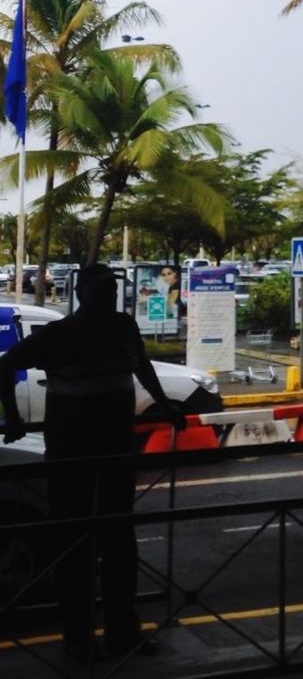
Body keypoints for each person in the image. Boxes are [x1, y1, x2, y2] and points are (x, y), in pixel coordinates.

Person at [0, 262, 186, 662]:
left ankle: (115, 633)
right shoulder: (64, 334)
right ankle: (82, 638)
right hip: (79, 454)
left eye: (111, 287)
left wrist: (167, 405)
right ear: (85, 292)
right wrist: (13, 417)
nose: (110, 293)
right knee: (83, 545)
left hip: (102, 453)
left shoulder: (119, 328)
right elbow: (5, 365)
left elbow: (143, 367)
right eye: (103, 288)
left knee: (113, 542)